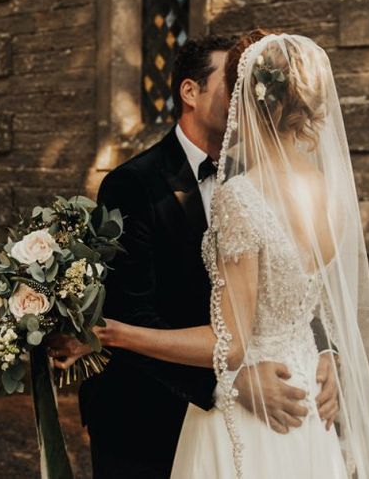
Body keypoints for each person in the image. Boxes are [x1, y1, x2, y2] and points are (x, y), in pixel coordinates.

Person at [47, 33, 341, 478]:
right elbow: (135, 309)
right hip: (146, 419)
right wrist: (232, 380)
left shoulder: (260, 181)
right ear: (190, 91)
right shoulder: (131, 185)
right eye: (233, 78)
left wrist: (326, 354)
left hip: (278, 407)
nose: (246, 87)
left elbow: (299, 287)